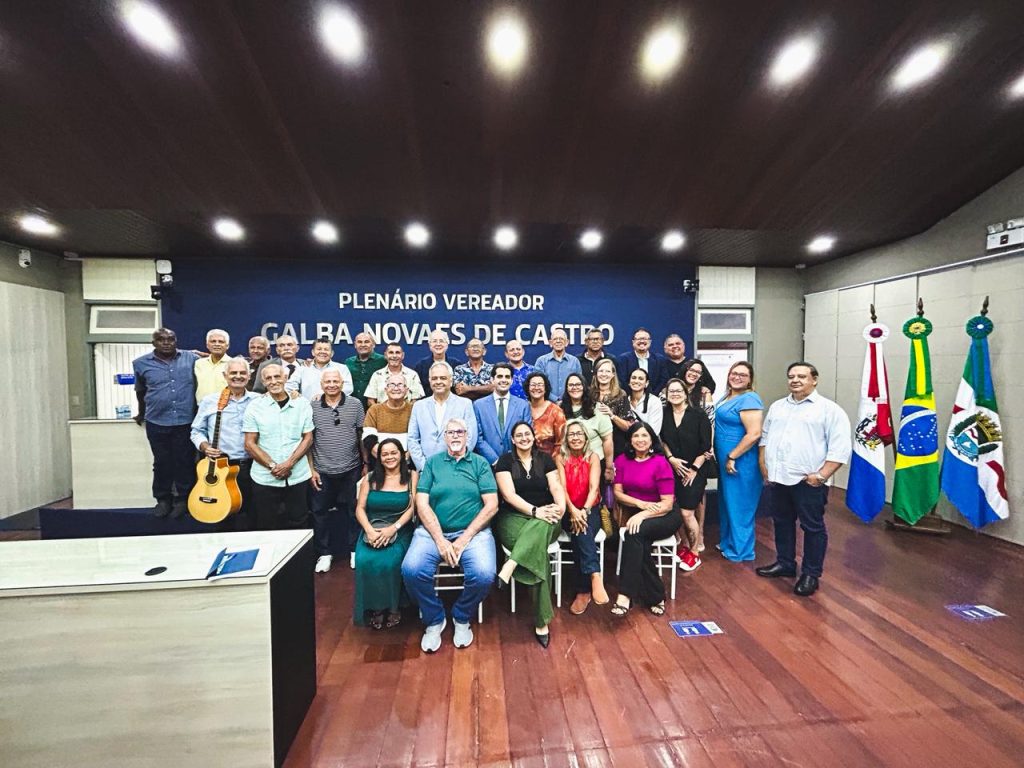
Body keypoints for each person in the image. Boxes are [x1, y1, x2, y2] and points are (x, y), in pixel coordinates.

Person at [401, 418, 498, 653]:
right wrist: (441, 540)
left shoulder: (480, 463)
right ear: (444, 437)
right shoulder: (433, 464)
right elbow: (421, 504)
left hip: (474, 533)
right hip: (432, 533)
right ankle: (435, 619)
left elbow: (492, 505)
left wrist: (464, 539)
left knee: (485, 574)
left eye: (460, 432)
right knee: (411, 570)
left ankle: (461, 616)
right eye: (450, 432)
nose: (455, 436)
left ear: (468, 436)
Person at [756, 362, 852, 597]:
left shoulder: (829, 410)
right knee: (781, 521)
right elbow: (765, 437)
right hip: (779, 478)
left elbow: (840, 447)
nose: (795, 380)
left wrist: (821, 475)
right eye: (791, 376)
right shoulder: (778, 406)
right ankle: (786, 563)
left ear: (814, 379)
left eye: (801, 376)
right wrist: (764, 464)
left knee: (812, 527)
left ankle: (811, 574)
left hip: (808, 481)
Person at [494, 421, 566, 647]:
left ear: (533, 437)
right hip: (512, 518)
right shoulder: (505, 461)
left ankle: (511, 563)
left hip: (547, 519)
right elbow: (509, 495)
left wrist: (560, 508)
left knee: (540, 529)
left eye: (527, 434)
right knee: (538, 552)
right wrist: (536, 511)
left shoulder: (545, 459)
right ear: (513, 440)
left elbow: (555, 488)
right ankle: (541, 621)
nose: (524, 438)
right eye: (519, 435)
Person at [611, 422, 680, 616]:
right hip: (639, 513)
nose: (640, 440)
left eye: (644, 436)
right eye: (636, 436)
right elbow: (618, 493)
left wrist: (643, 514)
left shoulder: (660, 462)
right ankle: (657, 595)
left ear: (651, 440)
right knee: (638, 540)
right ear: (630, 440)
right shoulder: (622, 460)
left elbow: (667, 503)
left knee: (635, 534)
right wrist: (640, 505)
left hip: (664, 515)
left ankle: (625, 595)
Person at [133, 328, 199, 518]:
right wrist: (141, 413)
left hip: (185, 420)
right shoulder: (140, 363)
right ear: (154, 343)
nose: (166, 342)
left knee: (184, 461)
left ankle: (183, 499)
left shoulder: (191, 358)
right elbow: (140, 391)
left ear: (176, 340)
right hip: (157, 420)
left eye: (170, 339)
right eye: (161, 339)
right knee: (161, 462)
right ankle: (163, 499)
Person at [353, 438, 417, 629]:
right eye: (385, 454)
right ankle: (376, 607)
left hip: (400, 529)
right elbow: (360, 509)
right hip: (372, 528)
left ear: (402, 454)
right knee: (364, 560)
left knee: (390, 561)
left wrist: (393, 528)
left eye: (394, 452)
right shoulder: (370, 478)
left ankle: (394, 607)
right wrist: (369, 531)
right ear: (379, 458)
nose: (390, 457)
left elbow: (413, 508)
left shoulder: (412, 476)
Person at [242, 364, 315, 530]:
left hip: (297, 475)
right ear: (263, 381)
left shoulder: (302, 403)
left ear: (285, 378)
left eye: (277, 376)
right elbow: (249, 443)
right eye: (268, 378)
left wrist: (289, 463)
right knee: (267, 524)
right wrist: (273, 466)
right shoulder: (255, 406)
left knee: (300, 522)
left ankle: (301, 557)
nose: (274, 381)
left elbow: (308, 438)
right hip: (265, 477)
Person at [307, 369, 365, 573]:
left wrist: (365, 464)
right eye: (328, 381)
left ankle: (354, 550)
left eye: (335, 381)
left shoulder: (355, 404)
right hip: (322, 470)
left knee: (354, 510)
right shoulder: (311, 406)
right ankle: (324, 553)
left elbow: (361, 435)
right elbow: (308, 440)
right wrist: (311, 469)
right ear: (321, 384)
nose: (332, 385)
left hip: (352, 468)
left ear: (342, 383)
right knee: (320, 513)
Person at [190, 358, 258, 529]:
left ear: (249, 376)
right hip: (221, 467)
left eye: (242, 373)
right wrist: (205, 447)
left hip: (253, 467)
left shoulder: (258, 401)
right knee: (223, 518)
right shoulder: (209, 401)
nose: (238, 376)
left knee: (253, 516)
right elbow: (196, 431)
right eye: (233, 373)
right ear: (225, 375)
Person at [555, 419, 608, 614]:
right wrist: (573, 511)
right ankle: (594, 575)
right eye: (571, 434)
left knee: (581, 529)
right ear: (566, 439)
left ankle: (584, 590)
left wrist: (583, 511)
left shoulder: (593, 457)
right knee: (580, 528)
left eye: (579, 434)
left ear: (586, 437)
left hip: (590, 508)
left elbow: (594, 488)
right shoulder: (559, 458)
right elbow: (561, 489)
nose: (576, 437)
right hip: (567, 509)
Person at [660, 378, 712, 572]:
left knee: (687, 512)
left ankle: (695, 552)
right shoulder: (664, 414)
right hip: (671, 467)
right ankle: (684, 547)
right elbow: (661, 440)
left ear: (685, 393)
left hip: (695, 469)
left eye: (678, 390)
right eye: (670, 391)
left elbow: (706, 446)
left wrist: (694, 470)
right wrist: (671, 458)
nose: (674, 394)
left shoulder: (698, 415)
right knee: (675, 510)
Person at [714, 361, 764, 562]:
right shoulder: (728, 396)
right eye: (734, 373)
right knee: (727, 503)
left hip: (740, 461)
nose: (737, 377)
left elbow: (754, 434)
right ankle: (728, 543)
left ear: (750, 379)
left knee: (740, 505)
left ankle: (742, 551)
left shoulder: (750, 398)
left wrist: (733, 456)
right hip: (725, 460)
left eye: (743, 374)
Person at [408, 362, 478, 471]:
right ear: (429, 381)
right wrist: (424, 466)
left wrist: (458, 461)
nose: (438, 382)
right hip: (426, 469)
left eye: (443, 378)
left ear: (451, 381)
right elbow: (412, 439)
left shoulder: (465, 404)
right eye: (434, 378)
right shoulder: (419, 406)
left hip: (457, 468)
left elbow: (471, 437)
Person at [560, 373, 614, 486]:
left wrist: (609, 467)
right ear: (566, 388)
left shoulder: (597, 408)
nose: (575, 387)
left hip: (596, 462)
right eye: (571, 385)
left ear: (584, 387)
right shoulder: (559, 409)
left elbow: (607, 440)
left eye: (578, 384)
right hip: (569, 465)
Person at [474, 363, 531, 465]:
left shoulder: (523, 405)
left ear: (512, 380)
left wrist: (513, 459)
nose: (504, 380)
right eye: (499, 376)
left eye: (507, 377)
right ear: (492, 380)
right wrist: (495, 460)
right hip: (488, 464)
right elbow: (478, 437)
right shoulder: (479, 405)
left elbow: (527, 435)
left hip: (517, 463)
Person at [362, 373, 414, 460]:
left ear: (406, 390)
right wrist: (387, 458)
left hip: (407, 462)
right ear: (386, 390)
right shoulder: (374, 410)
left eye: (400, 385)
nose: (396, 388)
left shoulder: (414, 410)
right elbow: (369, 439)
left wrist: (403, 459)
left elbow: (419, 440)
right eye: (392, 385)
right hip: (380, 461)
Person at [592, 358, 634, 456]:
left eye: (607, 371)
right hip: (593, 446)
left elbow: (628, 426)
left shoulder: (620, 394)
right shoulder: (589, 394)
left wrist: (612, 415)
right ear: (596, 374)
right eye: (601, 371)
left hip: (616, 445)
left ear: (612, 375)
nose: (604, 374)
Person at [533, 328, 582, 401]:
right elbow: (538, 385)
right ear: (550, 342)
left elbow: (579, 385)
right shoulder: (541, 361)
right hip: (547, 404)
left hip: (570, 403)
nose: (558, 341)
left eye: (561, 339)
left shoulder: (574, 361)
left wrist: (565, 400)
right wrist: (555, 400)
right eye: (555, 339)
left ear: (567, 342)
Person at [525, 372, 566, 457]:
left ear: (545, 388)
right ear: (528, 388)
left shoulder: (555, 411)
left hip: (550, 463)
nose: (536, 388)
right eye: (533, 385)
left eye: (540, 385)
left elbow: (561, 443)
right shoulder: (522, 408)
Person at [616, 327, 668, 394]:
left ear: (650, 342)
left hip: (654, 398)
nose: (642, 341)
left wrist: (651, 396)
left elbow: (663, 381)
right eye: (639, 339)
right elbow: (622, 381)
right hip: (630, 399)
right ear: (633, 342)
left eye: (645, 339)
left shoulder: (659, 360)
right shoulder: (623, 359)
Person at [345, 331, 387, 407]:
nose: (363, 345)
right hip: (353, 407)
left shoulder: (383, 361)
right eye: (359, 342)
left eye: (366, 342)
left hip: (375, 407)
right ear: (355, 345)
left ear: (373, 344)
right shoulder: (348, 362)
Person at [413, 329, 461, 394]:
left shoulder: (456, 365)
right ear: (429, 345)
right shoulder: (421, 366)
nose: (438, 344)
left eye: (441, 341)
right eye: (434, 341)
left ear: (447, 344)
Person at [194, 328, 232, 403]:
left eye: (221, 342)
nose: (217, 344)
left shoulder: (233, 364)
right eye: (213, 341)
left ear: (227, 345)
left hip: (227, 409)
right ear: (207, 345)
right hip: (202, 409)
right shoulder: (198, 364)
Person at [626, 368, 662, 436]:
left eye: (640, 378)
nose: (636, 381)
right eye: (634, 378)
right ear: (629, 382)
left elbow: (654, 431)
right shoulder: (624, 401)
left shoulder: (654, 401)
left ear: (646, 383)